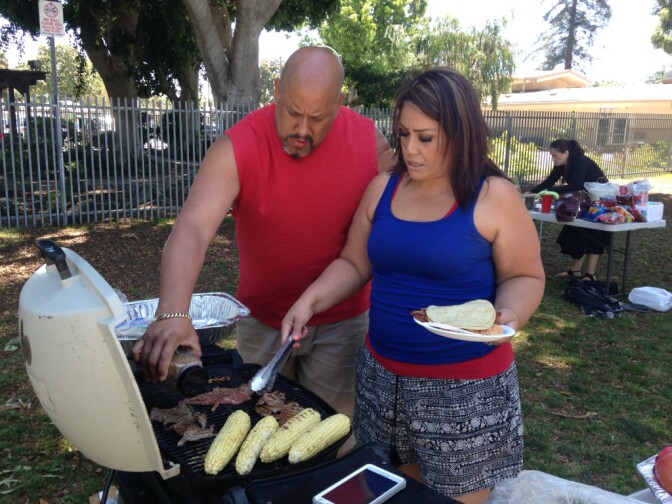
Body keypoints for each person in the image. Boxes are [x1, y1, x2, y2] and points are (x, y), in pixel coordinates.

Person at [280, 68, 545, 504]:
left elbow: (526, 275)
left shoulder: (493, 195)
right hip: (382, 379)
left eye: (425, 137)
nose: (409, 149)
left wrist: (509, 314)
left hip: (465, 393)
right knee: (390, 492)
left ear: (461, 134)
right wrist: (310, 301)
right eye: (403, 134)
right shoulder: (382, 188)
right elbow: (354, 261)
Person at [132, 46, 395, 417]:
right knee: (257, 426)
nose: (302, 130)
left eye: (317, 118)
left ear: (339, 103)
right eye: (292, 112)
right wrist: (174, 312)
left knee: (333, 432)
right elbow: (193, 227)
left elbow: (411, 201)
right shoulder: (238, 146)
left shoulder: (369, 141)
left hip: (344, 322)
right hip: (263, 322)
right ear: (276, 90)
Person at [529, 139, 610, 281]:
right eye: (551, 156)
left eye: (555, 155)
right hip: (582, 202)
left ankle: (590, 275)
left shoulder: (580, 161)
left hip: (599, 203)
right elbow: (549, 181)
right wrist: (531, 192)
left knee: (593, 236)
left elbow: (576, 185)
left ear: (566, 153)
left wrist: (550, 190)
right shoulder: (562, 165)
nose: (553, 159)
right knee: (577, 233)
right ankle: (575, 270)